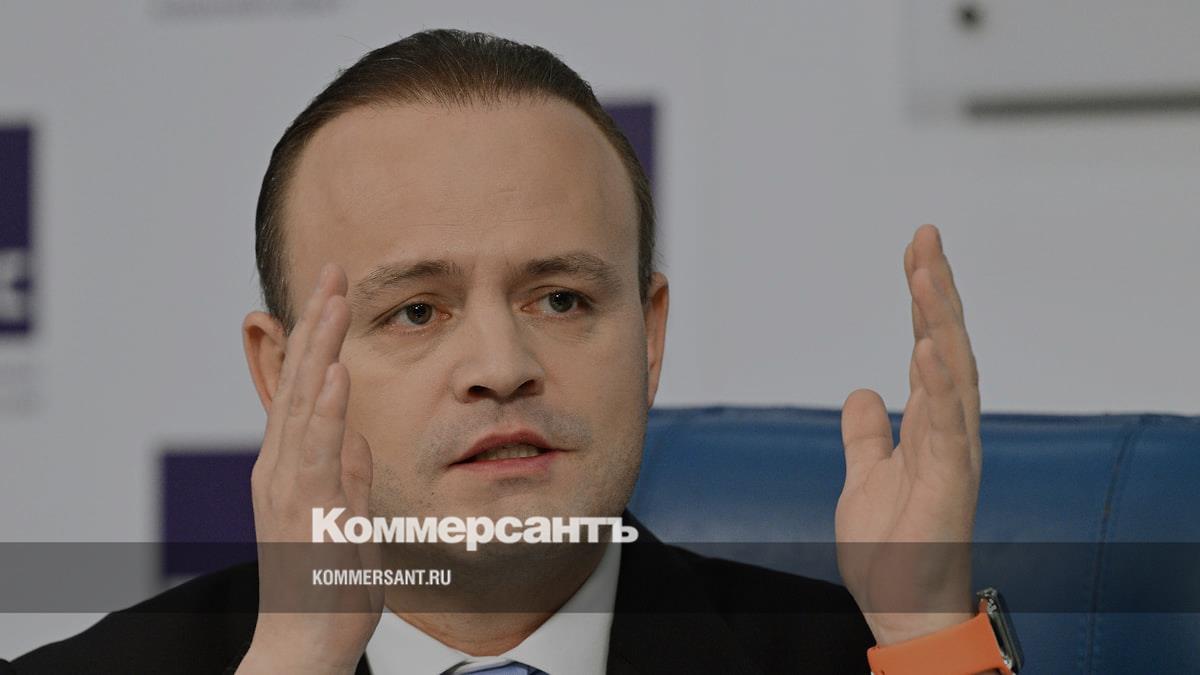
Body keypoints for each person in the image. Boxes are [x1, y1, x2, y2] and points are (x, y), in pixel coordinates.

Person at [3, 29, 1004, 674]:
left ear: (649, 334)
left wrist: (926, 640)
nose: (500, 363)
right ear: (281, 374)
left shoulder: (867, 658)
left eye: (560, 298)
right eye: (416, 312)